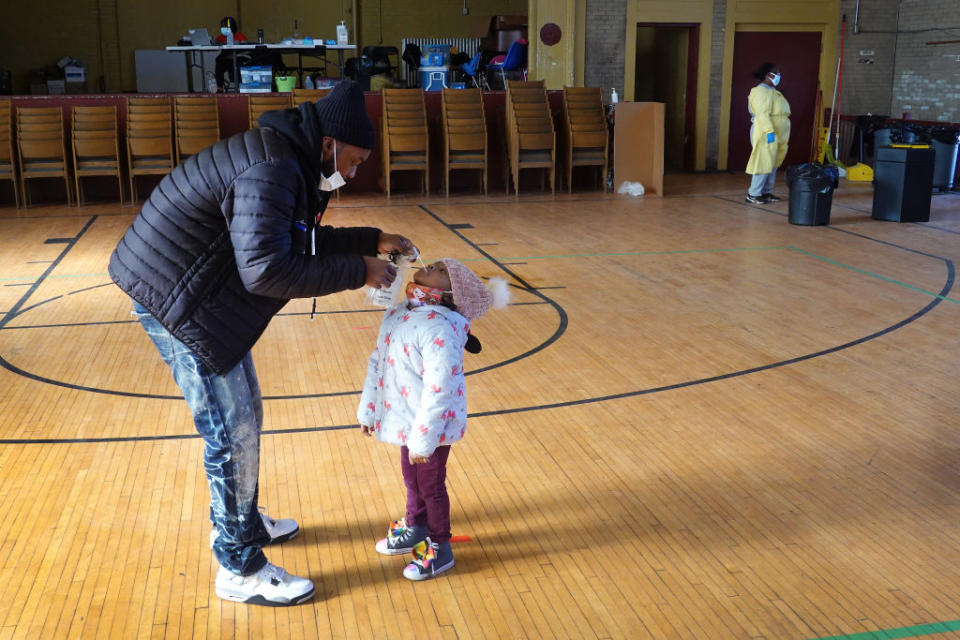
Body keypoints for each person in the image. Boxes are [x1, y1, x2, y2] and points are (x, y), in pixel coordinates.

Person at [108, 80, 414, 606]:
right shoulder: (272, 168)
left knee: (244, 417)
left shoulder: (287, 160)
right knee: (233, 431)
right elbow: (268, 269)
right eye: (356, 160)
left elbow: (287, 237)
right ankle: (238, 564)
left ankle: (240, 520)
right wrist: (358, 270)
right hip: (176, 297)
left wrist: (368, 240)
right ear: (329, 144)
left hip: (194, 288)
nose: (356, 172)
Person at [358, 259, 509, 580]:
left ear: (451, 292)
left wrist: (423, 440)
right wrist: (370, 409)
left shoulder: (441, 327)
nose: (430, 265)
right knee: (411, 480)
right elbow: (379, 360)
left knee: (431, 486)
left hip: (431, 427)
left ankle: (440, 547)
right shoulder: (401, 313)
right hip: (405, 418)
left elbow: (440, 389)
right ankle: (416, 525)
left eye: (440, 270)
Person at [745, 63, 791, 204]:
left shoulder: (774, 92)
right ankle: (753, 194)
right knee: (763, 161)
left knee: (773, 164)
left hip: (779, 132)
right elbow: (762, 114)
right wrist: (769, 131)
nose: (778, 76)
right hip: (766, 131)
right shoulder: (760, 92)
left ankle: (767, 192)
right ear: (767, 75)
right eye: (776, 73)